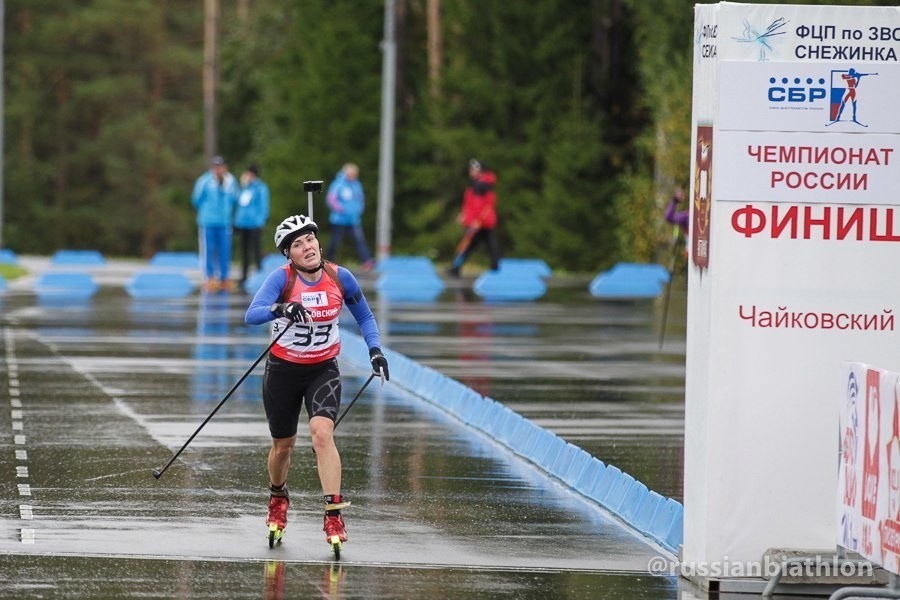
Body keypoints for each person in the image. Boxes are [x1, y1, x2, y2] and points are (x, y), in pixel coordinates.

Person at [244, 213, 389, 551]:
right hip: (282, 370)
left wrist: (376, 350)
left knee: (323, 435)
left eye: (310, 239)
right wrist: (282, 308)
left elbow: (365, 315)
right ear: (288, 254)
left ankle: (333, 513)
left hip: (323, 368)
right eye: (297, 244)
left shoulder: (341, 277)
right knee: (284, 447)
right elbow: (252, 314)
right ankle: (278, 498)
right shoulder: (280, 279)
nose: (307, 247)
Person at [192, 155, 240, 292]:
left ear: (225, 167)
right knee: (208, 250)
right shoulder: (204, 181)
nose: (218, 169)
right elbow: (196, 200)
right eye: (215, 167)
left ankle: (224, 278)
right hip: (208, 222)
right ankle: (210, 277)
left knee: (225, 250)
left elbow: (236, 199)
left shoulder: (231, 181)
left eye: (221, 166)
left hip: (224, 222)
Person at [448, 158, 500, 277]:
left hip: (479, 221)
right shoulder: (483, 183)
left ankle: (456, 268)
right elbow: (472, 204)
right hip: (483, 221)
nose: (470, 171)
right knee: (487, 243)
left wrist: (476, 221)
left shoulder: (481, 185)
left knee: (467, 244)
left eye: (473, 169)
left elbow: (481, 205)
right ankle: (495, 266)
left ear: (480, 171)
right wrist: (464, 215)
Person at [324, 163, 374, 272]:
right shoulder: (338, 184)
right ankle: (327, 262)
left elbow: (360, 199)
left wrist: (358, 210)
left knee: (359, 240)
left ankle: (367, 261)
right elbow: (331, 199)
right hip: (339, 219)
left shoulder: (357, 185)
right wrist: (341, 209)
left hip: (353, 220)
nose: (353, 176)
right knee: (335, 241)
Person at [234, 164, 271, 287]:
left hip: (255, 224)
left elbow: (264, 206)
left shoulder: (261, 188)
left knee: (256, 250)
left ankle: (260, 275)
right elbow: (237, 201)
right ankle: (244, 275)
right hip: (243, 224)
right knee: (244, 251)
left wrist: (260, 222)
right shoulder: (244, 188)